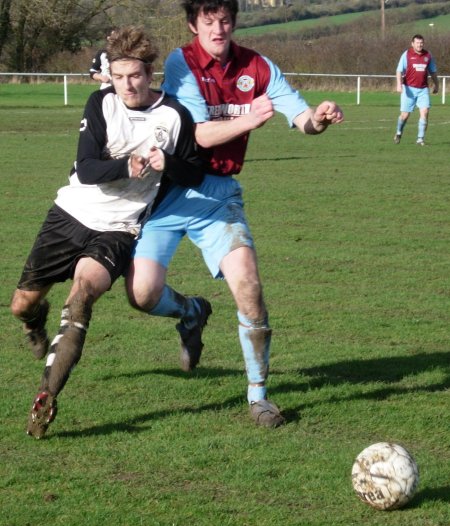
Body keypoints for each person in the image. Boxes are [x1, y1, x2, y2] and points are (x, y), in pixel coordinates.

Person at [127, 0, 343, 428]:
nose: (218, 29)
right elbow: (199, 134)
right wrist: (250, 119)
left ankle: (259, 397)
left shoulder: (258, 67)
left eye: (225, 20)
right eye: (209, 22)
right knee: (143, 295)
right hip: (168, 190)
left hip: (218, 195)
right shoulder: (181, 62)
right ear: (194, 25)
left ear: (234, 23)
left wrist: (318, 117)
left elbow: (301, 118)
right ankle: (190, 312)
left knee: (249, 287)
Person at [11, 26, 204, 439]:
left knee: (81, 300)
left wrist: (167, 162)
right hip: (70, 215)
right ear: (110, 75)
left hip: (118, 229)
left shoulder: (174, 116)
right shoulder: (101, 103)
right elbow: (86, 167)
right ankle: (34, 322)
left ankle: (46, 398)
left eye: (134, 75)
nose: (126, 85)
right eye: (118, 76)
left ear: (150, 72)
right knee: (20, 305)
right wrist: (127, 165)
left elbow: (194, 173)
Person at [394, 34, 438, 146]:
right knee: (404, 115)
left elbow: (433, 71)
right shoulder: (407, 54)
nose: (419, 45)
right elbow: (399, 70)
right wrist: (399, 85)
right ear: (412, 43)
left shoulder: (428, 55)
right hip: (408, 89)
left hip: (423, 89)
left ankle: (420, 139)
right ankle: (399, 132)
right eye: (417, 43)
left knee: (425, 112)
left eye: (421, 43)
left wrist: (437, 85)